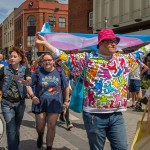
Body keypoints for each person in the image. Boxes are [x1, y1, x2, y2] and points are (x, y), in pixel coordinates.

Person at [34, 29, 150, 150]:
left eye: (115, 41)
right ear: (100, 43)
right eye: (109, 41)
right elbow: (64, 57)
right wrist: (46, 44)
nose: (114, 44)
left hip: (116, 115)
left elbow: (143, 51)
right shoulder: (87, 58)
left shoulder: (123, 60)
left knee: (121, 147)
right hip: (94, 115)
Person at [27, 53, 69, 150]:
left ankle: (49, 147)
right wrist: (32, 96)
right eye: (45, 60)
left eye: (49, 60)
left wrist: (66, 100)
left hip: (55, 103)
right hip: (40, 103)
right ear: (41, 62)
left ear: (53, 61)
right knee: (40, 126)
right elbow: (28, 85)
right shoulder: (37, 72)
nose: (47, 62)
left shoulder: (59, 71)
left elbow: (65, 86)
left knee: (52, 125)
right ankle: (40, 135)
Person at [0, 47, 31, 150]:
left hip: (20, 104)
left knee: (16, 129)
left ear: (20, 58)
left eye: (15, 56)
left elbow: (29, 79)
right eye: (11, 56)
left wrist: (27, 82)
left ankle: (14, 146)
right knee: (11, 129)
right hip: (6, 103)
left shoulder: (25, 69)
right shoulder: (4, 69)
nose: (12, 58)